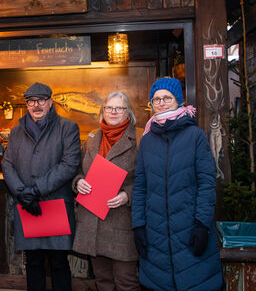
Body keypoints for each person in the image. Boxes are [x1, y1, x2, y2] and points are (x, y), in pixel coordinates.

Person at [132, 77, 223, 291]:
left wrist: (202, 224)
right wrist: (138, 225)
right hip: (155, 233)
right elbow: (140, 186)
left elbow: (206, 183)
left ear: (179, 101)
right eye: (156, 99)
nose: (161, 103)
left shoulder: (195, 136)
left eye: (167, 98)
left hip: (189, 229)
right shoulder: (146, 140)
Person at [1, 82, 81, 291]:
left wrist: (35, 190)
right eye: (31, 101)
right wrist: (22, 193)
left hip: (55, 204)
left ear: (50, 102)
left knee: (59, 263)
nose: (36, 105)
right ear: (27, 105)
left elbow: (70, 164)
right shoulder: (16, 131)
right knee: (33, 262)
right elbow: (7, 163)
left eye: (41, 100)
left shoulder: (67, 127)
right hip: (27, 205)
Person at [72, 91, 141, 291]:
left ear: (128, 111)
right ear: (103, 110)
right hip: (91, 221)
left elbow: (148, 179)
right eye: (109, 107)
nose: (113, 112)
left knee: (126, 282)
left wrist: (127, 195)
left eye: (119, 108)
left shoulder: (139, 137)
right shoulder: (93, 137)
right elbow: (77, 170)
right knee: (102, 282)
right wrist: (78, 182)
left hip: (120, 221)